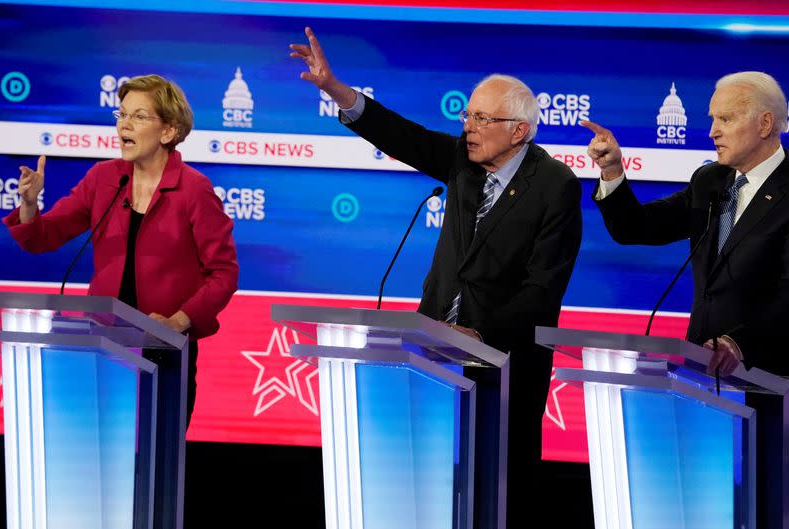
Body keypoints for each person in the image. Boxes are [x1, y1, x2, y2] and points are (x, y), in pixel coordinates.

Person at [291, 27, 582, 528]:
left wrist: (481, 335)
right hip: (433, 356)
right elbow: (401, 135)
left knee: (498, 497)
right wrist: (336, 90)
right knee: (429, 491)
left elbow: (544, 289)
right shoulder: (463, 163)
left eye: (481, 118)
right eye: (466, 115)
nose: (468, 126)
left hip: (505, 366)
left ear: (519, 130)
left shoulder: (555, 186)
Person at [4, 74, 238, 526]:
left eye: (138, 116)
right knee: (95, 468)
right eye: (121, 114)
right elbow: (44, 237)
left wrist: (179, 320)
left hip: (163, 355)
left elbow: (224, 273)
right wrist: (30, 205)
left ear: (168, 130)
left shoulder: (193, 191)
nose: (124, 126)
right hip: (102, 349)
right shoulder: (103, 180)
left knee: (151, 473)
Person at [583, 71, 789, 528]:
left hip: (768, 382)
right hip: (700, 379)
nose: (712, 130)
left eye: (725, 119)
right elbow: (637, 229)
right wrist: (613, 171)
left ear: (765, 123)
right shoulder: (710, 181)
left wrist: (741, 344)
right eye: (711, 118)